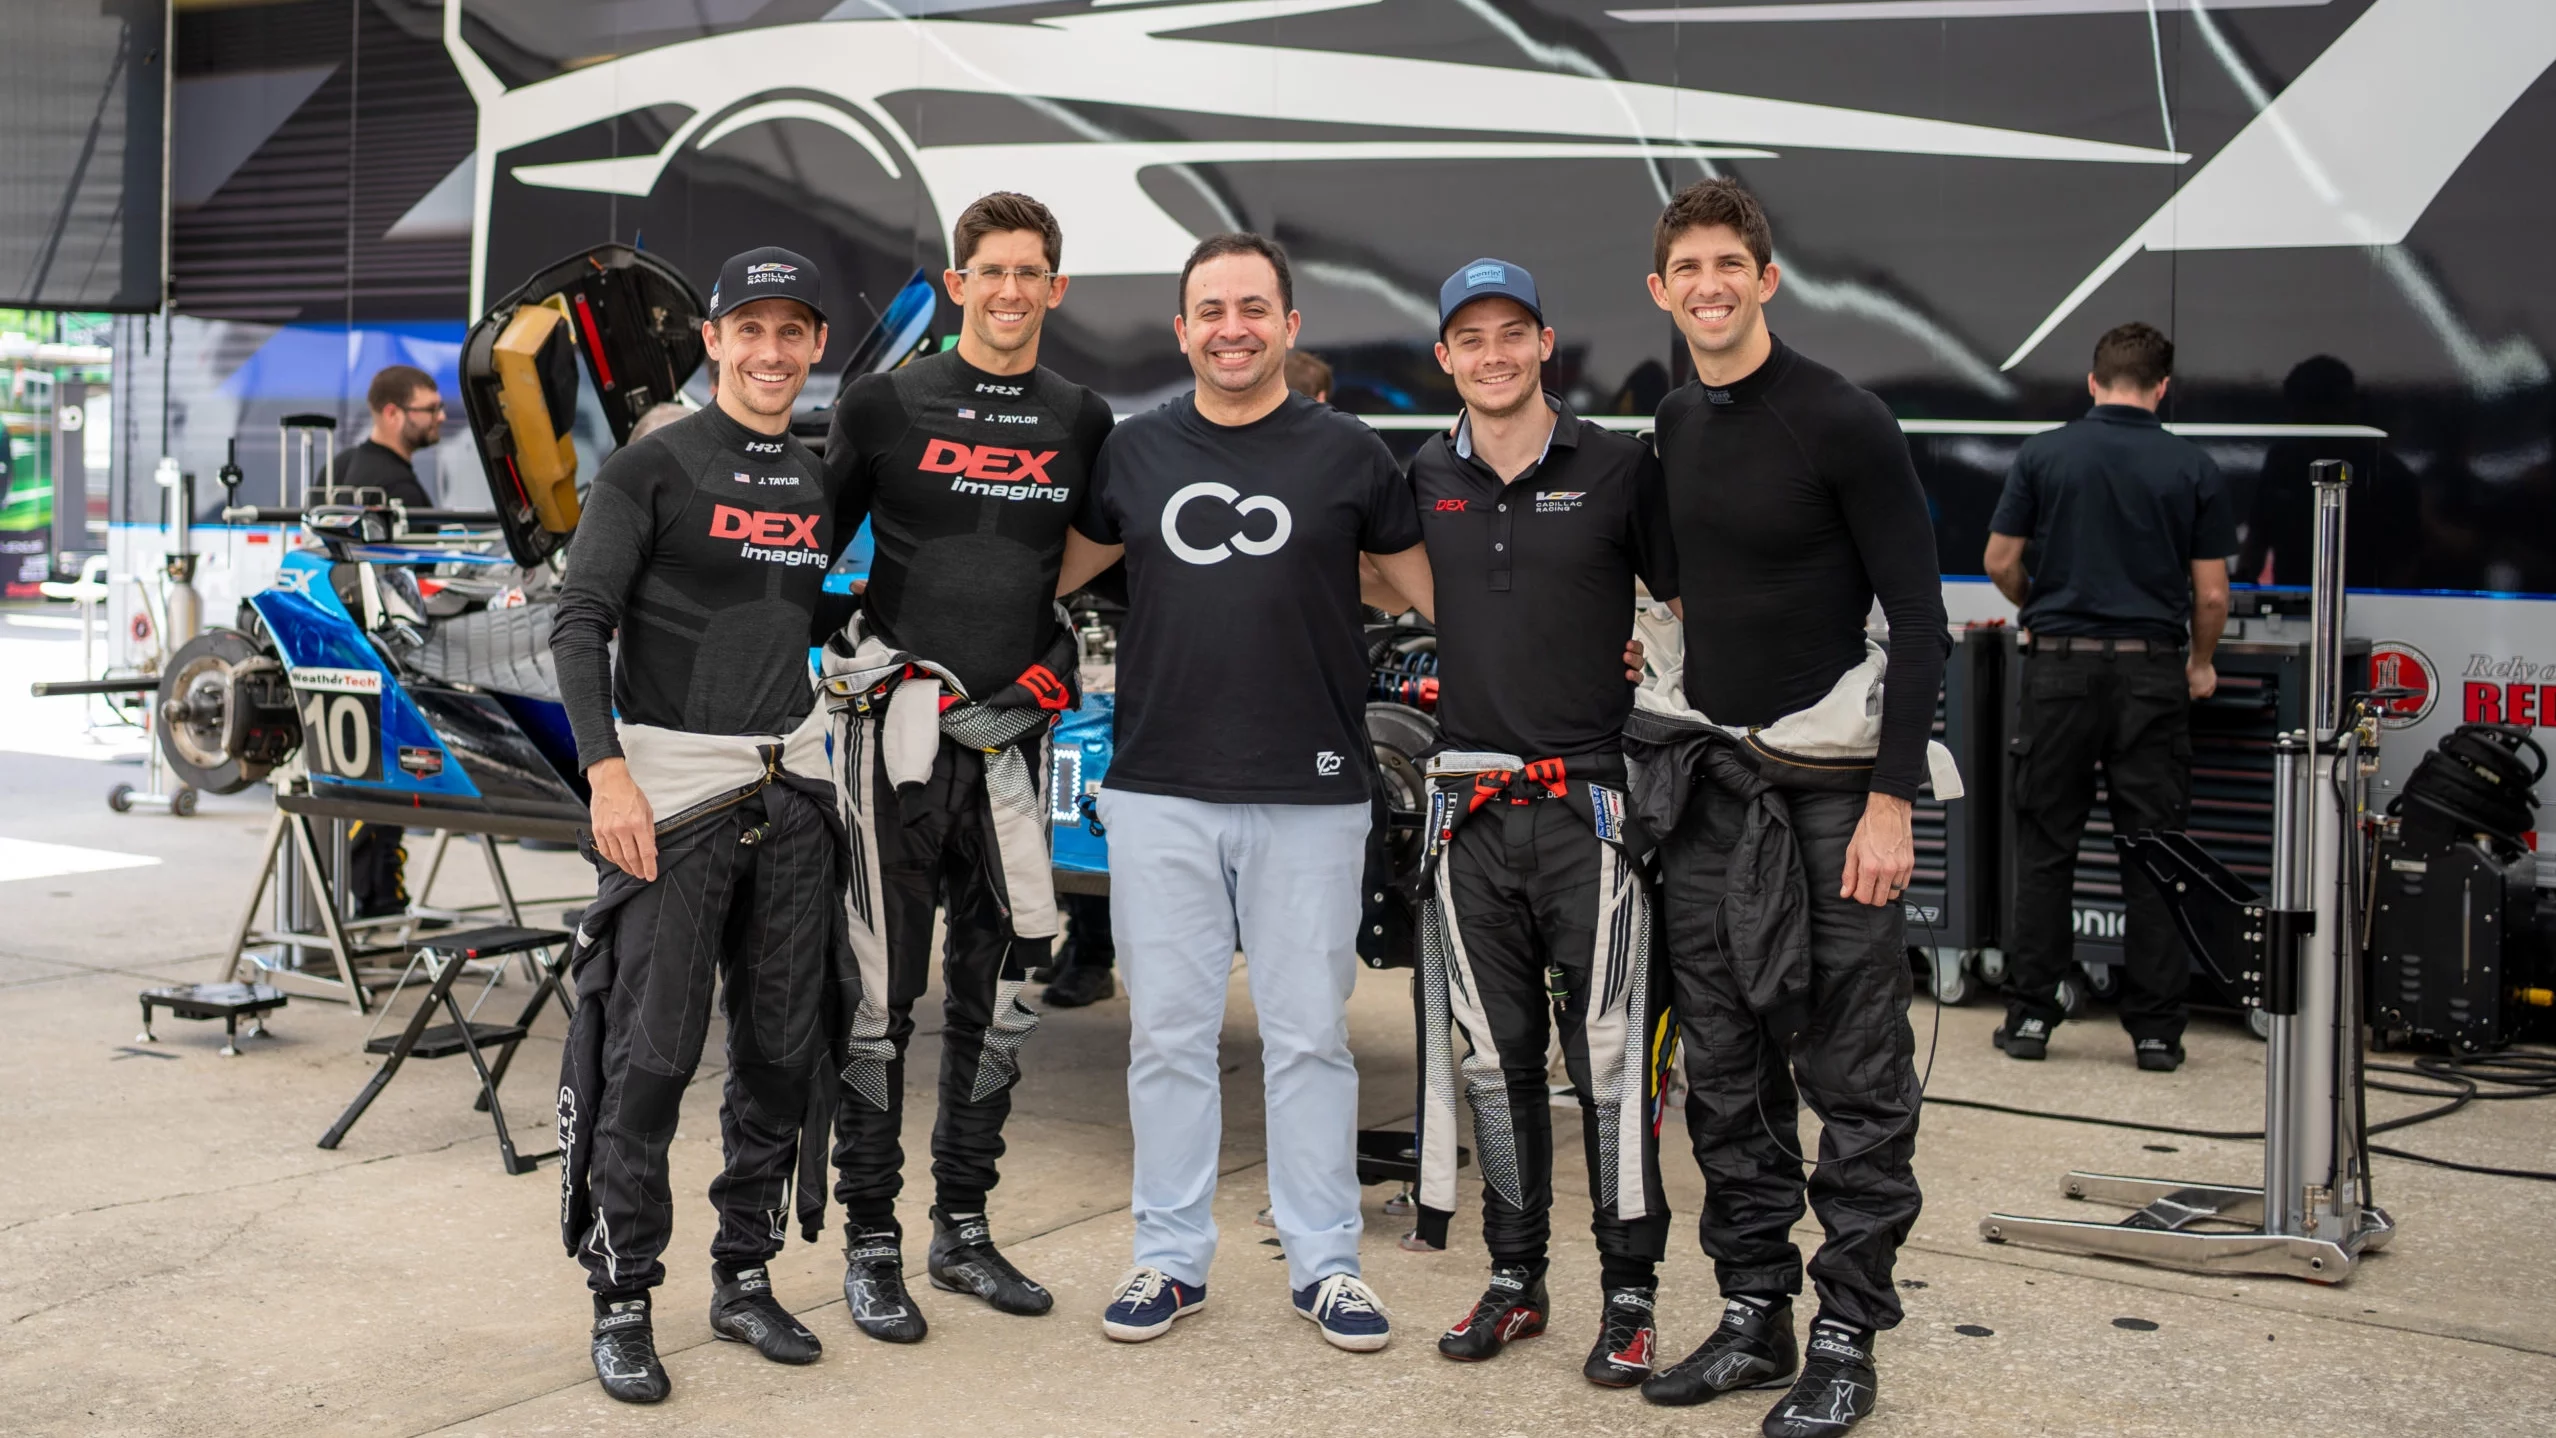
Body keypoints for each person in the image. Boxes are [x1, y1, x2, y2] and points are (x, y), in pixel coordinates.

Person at [1054, 232, 1433, 1353]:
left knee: (1310, 1038)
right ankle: (1169, 1260)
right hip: (1160, 787)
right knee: (1168, 1038)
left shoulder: (1352, 455)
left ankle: (1328, 1265)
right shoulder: (1130, 453)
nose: (1233, 328)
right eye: (1211, 310)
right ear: (1182, 331)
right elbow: (1038, 573)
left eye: (1254, 308)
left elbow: (1437, 596)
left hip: (1312, 790)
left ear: (1289, 325)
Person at [1630, 179, 1946, 1438]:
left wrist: (1892, 801)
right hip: (1714, 791)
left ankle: (1848, 1338)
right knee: (1723, 1069)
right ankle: (1754, 1313)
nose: (1709, 286)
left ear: (1767, 279)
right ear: (1660, 291)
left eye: (1730, 264)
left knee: (1855, 1077)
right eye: (1688, 269)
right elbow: (1672, 582)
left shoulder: (1843, 419)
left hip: (1831, 799)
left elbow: (1920, 621)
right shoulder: (1673, 421)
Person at [549, 247, 855, 1404]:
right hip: (671, 798)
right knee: (652, 1056)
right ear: (713, 340)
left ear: (815, 344)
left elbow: (794, 623)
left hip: (792, 794)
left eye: (792, 330)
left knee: (779, 1052)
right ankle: (623, 1294)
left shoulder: (818, 481)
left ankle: (744, 1275)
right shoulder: (652, 467)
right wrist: (607, 775)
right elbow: (579, 622)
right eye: (749, 329)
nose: (771, 351)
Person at [821, 191, 1117, 1343]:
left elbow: (1097, 568)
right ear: (957, 285)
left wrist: (1054, 662)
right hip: (892, 754)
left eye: (1029, 271)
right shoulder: (884, 403)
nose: (1009, 290)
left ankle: (962, 1227)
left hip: (1007, 755)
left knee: (1004, 999)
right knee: (876, 1004)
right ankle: (871, 1243)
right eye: (989, 270)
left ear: (1056, 287)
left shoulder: (1082, 417)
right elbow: (800, 559)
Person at [1383, 258, 1681, 1386]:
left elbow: (1687, 603)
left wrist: (1656, 659)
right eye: (1471, 337)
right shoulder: (1421, 475)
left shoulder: (1619, 465)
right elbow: (1366, 578)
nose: (1494, 353)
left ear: (1546, 344)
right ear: (1445, 358)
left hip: (1591, 810)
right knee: (1491, 1063)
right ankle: (1516, 1279)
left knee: (1611, 1060)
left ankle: (1630, 1295)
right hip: (1467, 814)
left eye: (1514, 332)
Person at [1983, 322, 2234, 1072]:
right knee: (2154, 854)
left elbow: (1999, 560)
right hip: (2152, 677)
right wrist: (2199, 663)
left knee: (2046, 849)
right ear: (2163, 389)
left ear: (2093, 383)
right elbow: (2212, 594)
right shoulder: (2192, 465)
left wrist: (2040, 606)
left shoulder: (2044, 454)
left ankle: (2031, 1018)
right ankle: (2156, 1033)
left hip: (2058, 674)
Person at [338, 363, 444, 915]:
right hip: (390, 655)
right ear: (392, 413)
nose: (440, 417)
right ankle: (379, 899)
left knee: (353, 784)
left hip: (341, 647)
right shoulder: (400, 488)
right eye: (430, 409)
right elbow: (426, 579)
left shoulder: (341, 467)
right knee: (387, 782)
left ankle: (369, 896)